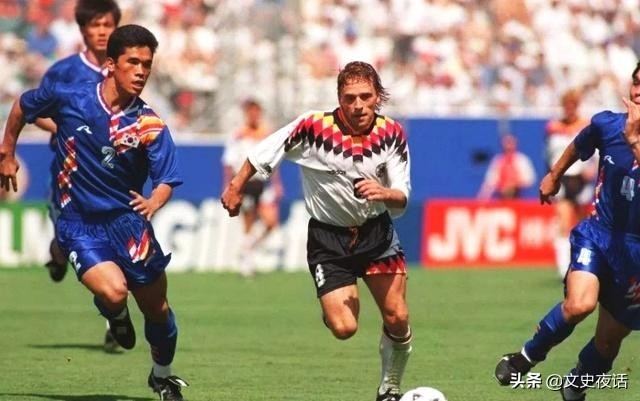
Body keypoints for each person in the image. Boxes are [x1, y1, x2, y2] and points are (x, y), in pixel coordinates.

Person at [0, 25, 188, 401]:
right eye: (132, 62)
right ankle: (115, 316)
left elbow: (166, 179)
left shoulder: (149, 124)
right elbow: (23, 105)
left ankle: (162, 376)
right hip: (79, 222)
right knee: (115, 293)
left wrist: (155, 201)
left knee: (157, 309)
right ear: (111, 64)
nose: (141, 71)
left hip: (129, 224)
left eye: (147, 64)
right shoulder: (71, 97)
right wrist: (7, 152)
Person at [222, 61, 413, 401]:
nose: (358, 105)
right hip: (328, 239)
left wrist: (384, 193)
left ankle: (390, 387)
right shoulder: (312, 126)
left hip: (377, 234)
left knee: (397, 316)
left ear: (378, 97)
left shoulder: (392, 133)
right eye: (349, 98)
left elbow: (402, 195)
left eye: (365, 97)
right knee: (344, 328)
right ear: (339, 98)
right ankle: (331, 308)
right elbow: (264, 152)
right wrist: (236, 186)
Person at [494, 62, 640, 401]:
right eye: (636, 83)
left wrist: (633, 140)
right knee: (579, 305)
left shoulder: (628, 135)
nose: (639, 92)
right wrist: (554, 174)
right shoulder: (607, 124)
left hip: (636, 254)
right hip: (599, 234)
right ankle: (526, 357)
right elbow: (579, 144)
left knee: (609, 341)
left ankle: (576, 384)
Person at [34, 0, 122, 353]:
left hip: (110, 177)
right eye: (95, 25)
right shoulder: (65, 72)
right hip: (69, 177)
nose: (101, 31)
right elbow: (34, 109)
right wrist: (65, 127)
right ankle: (57, 258)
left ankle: (113, 321)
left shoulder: (124, 70)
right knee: (65, 241)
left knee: (113, 244)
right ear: (83, 29)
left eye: (107, 25)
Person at [222, 98, 283, 276]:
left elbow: (273, 161)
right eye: (251, 112)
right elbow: (228, 162)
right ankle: (247, 263)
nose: (254, 115)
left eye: (257, 112)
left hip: (262, 183)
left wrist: (277, 184)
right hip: (245, 184)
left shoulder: (266, 134)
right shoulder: (238, 135)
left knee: (270, 221)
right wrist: (228, 186)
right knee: (248, 221)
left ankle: (246, 247)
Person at [545, 89, 594, 278]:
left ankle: (582, 261)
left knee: (583, 222)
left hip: (581, 177)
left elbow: (596, 150)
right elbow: (549, 153)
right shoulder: (553, 127)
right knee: (563, 220)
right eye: (567, 105)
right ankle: (563, 266)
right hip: (563, 177)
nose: (569, 109)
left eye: (573, 105)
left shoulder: (585, 124)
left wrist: (592, 167)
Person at [477, 133, 536, 200]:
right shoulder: (497, 160)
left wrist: (514, 184)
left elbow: (530, 180)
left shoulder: (522, 160)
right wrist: (481, 200)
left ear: (515, 143)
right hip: (501, 197)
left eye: (510, 142)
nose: (508, 145)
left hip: (520, 196)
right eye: (506, 142)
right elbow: (490, 182)